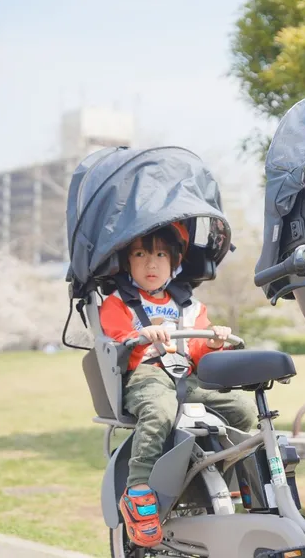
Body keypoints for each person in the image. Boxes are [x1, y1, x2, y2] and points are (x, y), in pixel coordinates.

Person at [99, 222, 256, 548]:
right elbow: (116, 342)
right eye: (140, 254)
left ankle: (226, 473)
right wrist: (139, 337)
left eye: (160, 254)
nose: (151, 263)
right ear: (127, 262)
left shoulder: (191, 307)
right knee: (159, 411)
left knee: (242, 410)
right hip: (146, 375)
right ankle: (138, 489)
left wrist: (214, 342)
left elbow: (198, 354)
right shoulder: (117, 303)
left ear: (174, 262)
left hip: (188, 376)